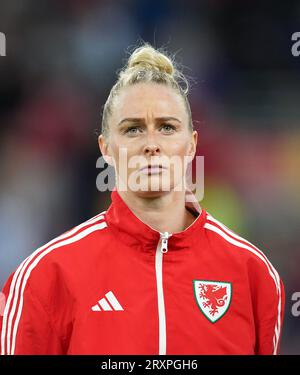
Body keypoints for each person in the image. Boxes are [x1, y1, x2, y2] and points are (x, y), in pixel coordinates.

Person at [0, 43, 285, 355]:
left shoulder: (253, 274)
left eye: (166, 127)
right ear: (105, 148)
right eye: (133, 129)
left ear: (191, 145)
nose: (152, 144)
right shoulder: (45, 276)